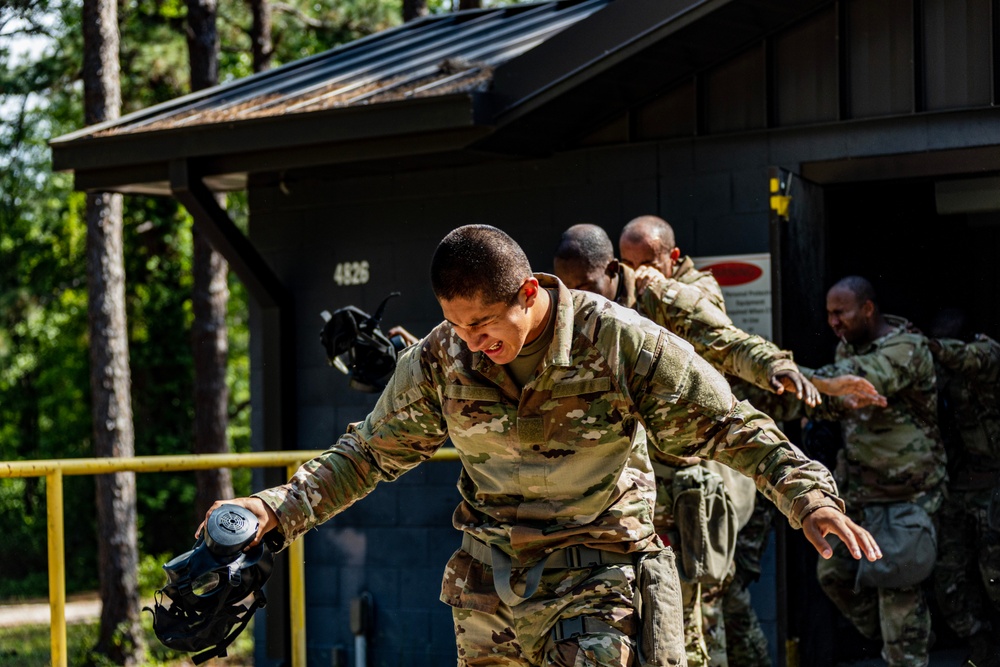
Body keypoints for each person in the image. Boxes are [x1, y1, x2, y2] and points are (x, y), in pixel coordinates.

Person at [201, 225, 880, 667]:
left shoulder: (618, 340)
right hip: (490, 597)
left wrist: (809, 498)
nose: (474, 341)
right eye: (457, 325)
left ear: (529, 293)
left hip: (598, 584)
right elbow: (368, 453)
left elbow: (734, 423)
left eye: (486, 323)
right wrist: (275, 509)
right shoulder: (443, 357)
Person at [554, 223, 879, 667]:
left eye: (588, 286)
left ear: (614, 270)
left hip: (687, 484)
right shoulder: (568, 313)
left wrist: (775, 366)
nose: (581, 298)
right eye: (570, 289)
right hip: (623, 492)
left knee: (694, 617)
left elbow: (724, 342)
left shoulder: (668, 296)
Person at [797, 276, 947, 667]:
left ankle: (905, 648)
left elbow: (863, 381)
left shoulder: (906, 348)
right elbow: (836, 402)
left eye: (840, 312)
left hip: (906, 496)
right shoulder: (847, 350)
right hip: (860, 494)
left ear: (867, 308)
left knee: (896, 588)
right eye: (829, 314)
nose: (833, 321)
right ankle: (895, 637)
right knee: (833, 574)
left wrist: (786, 373)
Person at [927, 310, 1000, 667]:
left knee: (994, 575)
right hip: (957, 485)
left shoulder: (986, 354)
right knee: (948, 573)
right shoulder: (936, 374)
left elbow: (969, 357)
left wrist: (930, 346)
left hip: (992, 484)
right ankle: (980, 644)